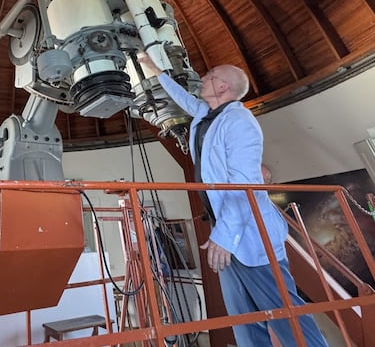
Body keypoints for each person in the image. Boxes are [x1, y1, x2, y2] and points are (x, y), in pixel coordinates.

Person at [140, 57, 328, 347]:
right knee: (243, 322)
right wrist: (156, 71)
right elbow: (184, 99)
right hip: (224, 234)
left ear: (223, 86)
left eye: (211, 75)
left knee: (288, 316)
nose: (203, 76)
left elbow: (245, 186)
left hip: (251, 237)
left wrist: (224, 238)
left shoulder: (241, 123)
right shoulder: (207, 114)